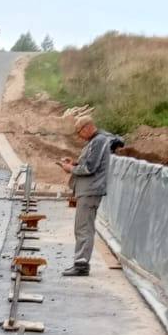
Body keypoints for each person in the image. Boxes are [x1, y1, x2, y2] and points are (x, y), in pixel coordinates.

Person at [57, 117, 124, 276]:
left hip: (90, 190)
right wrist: (74, 163)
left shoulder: (99, 141)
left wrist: (70, 169)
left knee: (84, 227)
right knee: (83, 226)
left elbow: (90, 168)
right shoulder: (95, 141)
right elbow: (89, 163)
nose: (79, 136)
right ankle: (81, 262)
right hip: (88, 191)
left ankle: (81, 264)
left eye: (79, 132)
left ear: (87, 127)